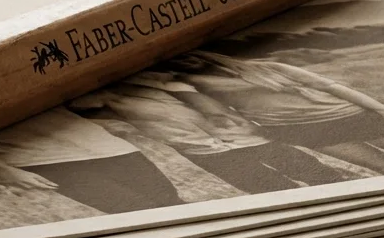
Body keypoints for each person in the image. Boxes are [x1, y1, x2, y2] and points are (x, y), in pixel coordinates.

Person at [167, 52, 384, 174]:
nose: (188, 64)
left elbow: (332, 86)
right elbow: (220, 114)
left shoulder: (270, 68)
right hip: (309, 133)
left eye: (191, 57)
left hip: (351, 116)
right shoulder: (192, 86)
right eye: (179, 63)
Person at [69, 72, 353, 194]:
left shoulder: (159, 85)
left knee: (313, 172)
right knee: (266, 186)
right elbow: (83, 108)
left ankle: (345, 196)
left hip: (245, 139)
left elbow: (199, 100)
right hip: (202, 150)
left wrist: (216, 115)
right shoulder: (107, 104)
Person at [0, 106, 184, 214]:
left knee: (174, 204)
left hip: (106, 145)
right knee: (139, 213)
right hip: (47, 160)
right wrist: (0, 169)